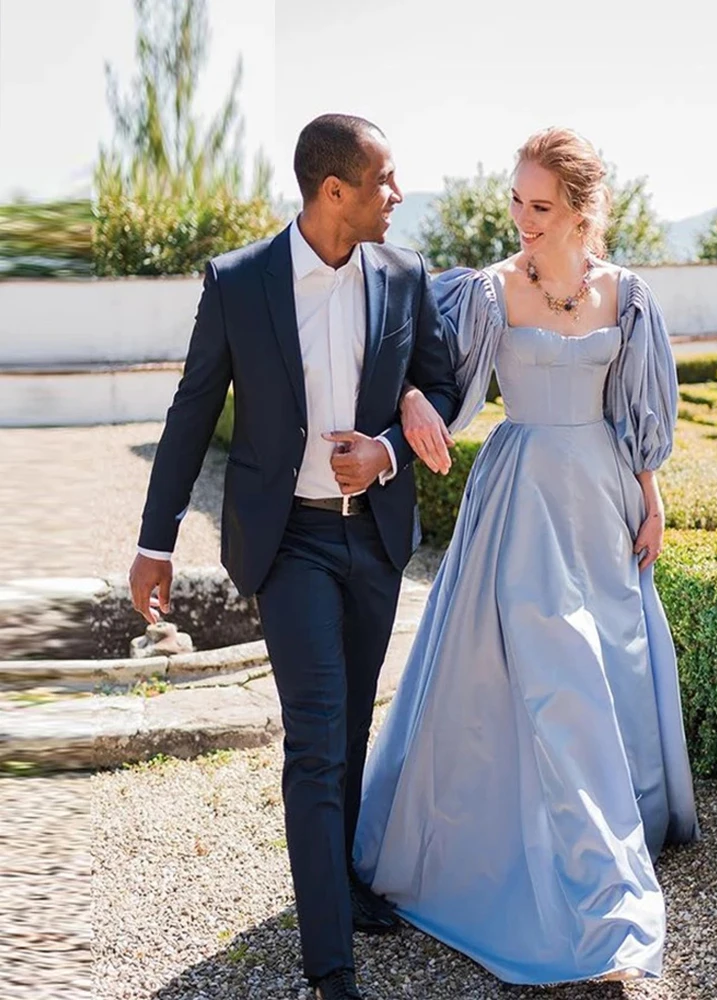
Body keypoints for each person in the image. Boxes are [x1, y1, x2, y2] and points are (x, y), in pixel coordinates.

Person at [353, 126, 701, 986]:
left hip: (602, 495)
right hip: (520, 499)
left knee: (609, 658)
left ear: (583, 212)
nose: (521, 218)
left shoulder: (629, 295)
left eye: (539, 206)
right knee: (554, 672)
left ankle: (622, 824)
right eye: (515, 199)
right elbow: (400, 348)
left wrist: (650, 498)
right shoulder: (486, 291)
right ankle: (586, 889)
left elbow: (633, 410)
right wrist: (410, 402)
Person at [128, 114, 459, 1000]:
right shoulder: (240, 282)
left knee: (349, 725)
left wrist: (390, 445)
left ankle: (342, 885)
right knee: (315, 738)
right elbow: (193, 410)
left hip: (376, 537)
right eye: (385, 180)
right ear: (334, 192)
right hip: (289, 542)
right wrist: (154, 542)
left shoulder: (404, 272)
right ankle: (330, 968)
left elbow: (445, 380)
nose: (399, 195)